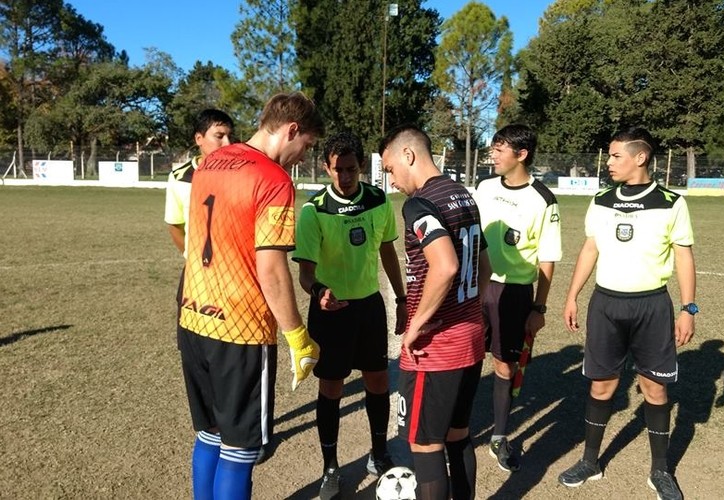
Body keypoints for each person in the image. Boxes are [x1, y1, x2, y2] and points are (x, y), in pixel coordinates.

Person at [177, 92, 324, 500]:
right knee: (240, 449)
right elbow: (272, 269)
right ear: (291, 130)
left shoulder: (209, 162)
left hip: (193, 316)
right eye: (307, 145)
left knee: (209, 434)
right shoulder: (273, 179)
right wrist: (298, 337)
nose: (303, 156)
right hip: (239, 331)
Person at [558, 127, 696, 500]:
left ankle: (660, 470)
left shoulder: (671, 202)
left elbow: (684, 256)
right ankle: (590, 462)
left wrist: (689, 308)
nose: (609, 162)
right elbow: (590, 249)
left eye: (616, 155)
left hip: (652, 305)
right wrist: (572, 296)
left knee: (654, 387)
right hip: (606, 305)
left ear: (640, 157)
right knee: (601, 385)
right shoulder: (602, 200)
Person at [379, 124, 491, 500]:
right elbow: (485, 266)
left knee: (426, 445)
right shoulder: (463, 195)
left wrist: (416, 325)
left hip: (436, 348)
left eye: (390, 169)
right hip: (470, 338)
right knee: (458, 434)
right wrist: (469, 309)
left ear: (408, 155)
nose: (392, 180)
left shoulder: (420, 204)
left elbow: (445, 266)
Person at [292, 131, 407, 499]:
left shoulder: (378, 200)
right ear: (326, 167)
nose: (344, 176)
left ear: (361, 168)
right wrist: (318, 292)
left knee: (378, 380)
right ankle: (330, 467)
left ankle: (379, 452)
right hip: (330, 311)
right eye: (337, 169)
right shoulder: (314, 210)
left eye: (351, 169)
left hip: (369, 307)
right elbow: (305, 273)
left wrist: (401, 298)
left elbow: (388, 251)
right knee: (332, 387)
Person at [473, 124, 562, 473]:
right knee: (465, 358)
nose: (493, 154)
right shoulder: (484, 188)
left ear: (521, 154)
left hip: (514, 293)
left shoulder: (543, 200)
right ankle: (458, 426)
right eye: (493, 147)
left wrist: (539, 307)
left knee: (503, 366)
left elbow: (548, 257)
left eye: (500, 149)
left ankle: (498, 437)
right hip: (477, 286)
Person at [164, 109, 234, 255]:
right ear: (199, 139)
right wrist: (191, 257)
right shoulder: (180, 177)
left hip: (235, 264)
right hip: (196, 266)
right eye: (219, 136)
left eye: (230, 137)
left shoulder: (242, 175)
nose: (227, 143)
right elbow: (175, 226)